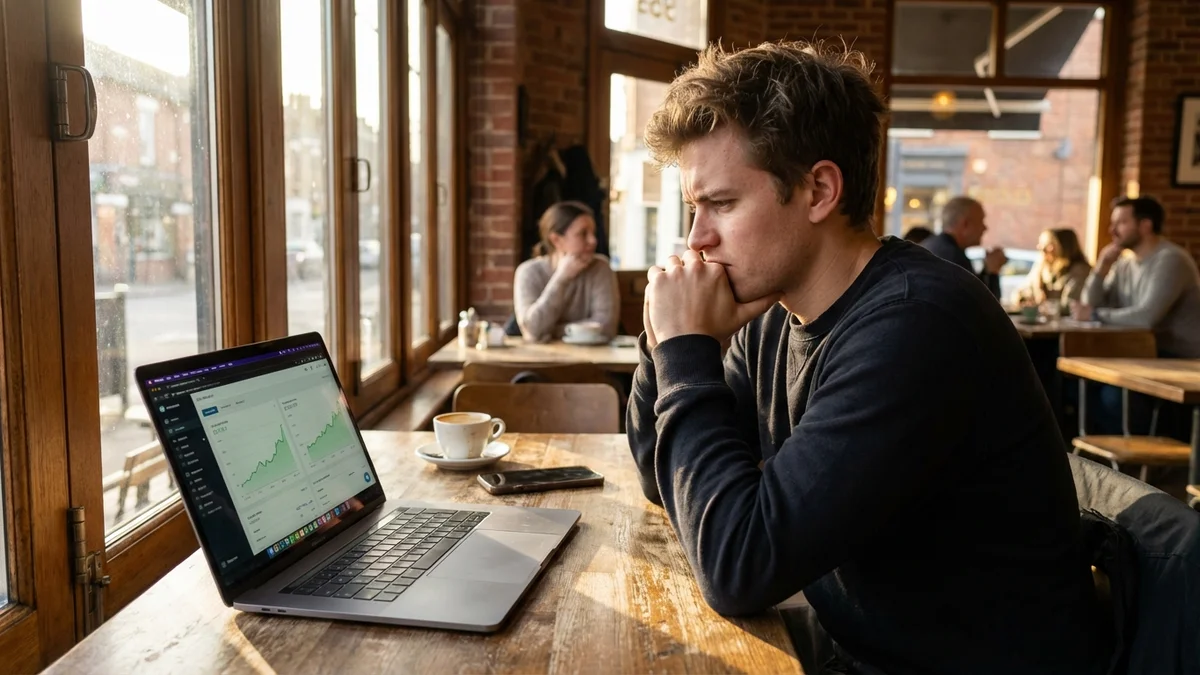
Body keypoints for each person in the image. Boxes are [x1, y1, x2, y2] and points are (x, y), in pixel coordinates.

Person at [629, 41, 1106, 674]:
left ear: (819, 190)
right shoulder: (771, 316)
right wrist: (665, 341)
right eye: (695, 208)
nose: (697, 239)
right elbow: (663, 478)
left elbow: (736, 566)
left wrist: (686, 350)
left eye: (722, 203)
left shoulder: (917, 325)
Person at [1073, 195, 1200, 358]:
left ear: (1145, 225)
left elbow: (1146, 318)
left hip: (1179, 357)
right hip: (1142, 350)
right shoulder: (1124, 263)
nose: (1112, 230)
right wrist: (1100, 269)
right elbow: (1090, 305)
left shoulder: (1171, 260)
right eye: (1113, 223)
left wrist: (1095, 315)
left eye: (1121, 223)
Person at [513, 201, 619, 343]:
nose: (593, 240)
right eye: (583, 234)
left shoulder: (601, 268)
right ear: (556, 240)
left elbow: (606, 326)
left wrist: (552, 331)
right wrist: (561, 278)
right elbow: (532, 328)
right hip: (539, 356)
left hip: (591, 356)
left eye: (593, 233)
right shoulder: (528, 272)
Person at [920, 196, 1007, 298]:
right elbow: (980, 305)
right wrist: (993, 272)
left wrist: (987, 270)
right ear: (965, 224)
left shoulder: (933, 247)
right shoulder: (953, 257)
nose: (985, 228)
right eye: (981, 221)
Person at [1016, 228, 1092, 311]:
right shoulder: (1042, 268)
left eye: (1050, 245)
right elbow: (1019, 293)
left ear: (1066, 248)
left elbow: (1069, 305)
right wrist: (1035, 292)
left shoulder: (1080, 272)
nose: (1043, 250)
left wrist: (1044, 302)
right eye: (1042, 245)